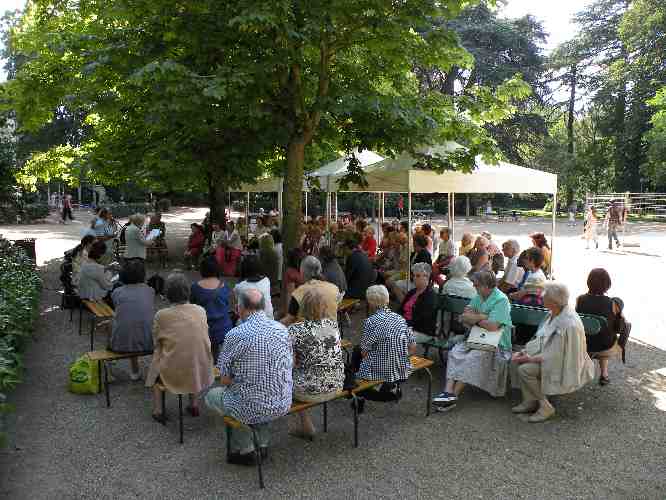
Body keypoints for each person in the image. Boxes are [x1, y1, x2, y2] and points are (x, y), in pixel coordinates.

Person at [205, 288, 293, 465]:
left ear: (241, 308)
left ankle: (246, 447)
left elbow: (224, 379)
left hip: (251, 406)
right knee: (261, 387)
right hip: (282, 402)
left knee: (212, 396)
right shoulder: (282, 329)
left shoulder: (235, 335)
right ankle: (262, 442)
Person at [512, 282, 595, 422]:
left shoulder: (568, 323)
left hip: (563, 364)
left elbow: (556, 354)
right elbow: (541, 338)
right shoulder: (553, 313)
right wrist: (525, 351)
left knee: (525, 370)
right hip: (549, 357)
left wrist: (529, 358)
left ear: (554, 301)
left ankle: (545, 407)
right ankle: (530, 401)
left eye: (544, 295)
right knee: (516, 362)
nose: (541, 297)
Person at [433, 270, 512, 411]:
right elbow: (464, 316)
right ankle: (448, 391)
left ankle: (453, 396)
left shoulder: (501, 300)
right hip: (475, 338)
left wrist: (475, 318)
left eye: (476, 285)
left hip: (496, 344)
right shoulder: (479, 296)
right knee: (455, 352)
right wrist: (483, 316)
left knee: (471, 358)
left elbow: (493, 327)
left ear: (486, 285)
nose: (474, 287)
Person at [146, 273, 214, 421]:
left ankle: (158, 410)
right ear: (187, 291)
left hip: (174, 369)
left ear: (167, 293)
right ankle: (194, 404)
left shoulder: (161, 315)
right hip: (200, 366)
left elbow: (156, 341)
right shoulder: (200, 310)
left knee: (157, 362)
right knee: (192, 353)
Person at [287, 289, 344, 439]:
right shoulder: (332, 325)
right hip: (336, 384)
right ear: (324, 307)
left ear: (302, 307)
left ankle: (306, 425)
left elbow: (290, 364)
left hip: (308, 390)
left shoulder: (294, 330)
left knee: (289, 376)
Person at [354, 285, 416, 396]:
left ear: (371, 302)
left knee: (357, 351)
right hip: (401, 368)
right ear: (387, 299)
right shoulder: (400, 318)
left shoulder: (371, 321)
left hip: (379, 371)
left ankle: (358, 391)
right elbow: (412, 347)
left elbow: (364, 352)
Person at [575, 268, 623, 385]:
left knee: (595, 335)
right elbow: (619, 324)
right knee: (605, 335)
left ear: (589, 282)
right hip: (605, 347)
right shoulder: (612, 303)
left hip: (585, 345)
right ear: (607, 285)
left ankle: (580, 372)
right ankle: (604, 374)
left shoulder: (580, 299)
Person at [110, 260, 155, 380]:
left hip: (120, 344)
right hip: (148, 342)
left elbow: (118, 309)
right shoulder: (150, 291)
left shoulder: (117, 292)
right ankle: (151, 371)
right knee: (139, 325)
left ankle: (134, 371)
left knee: (122, 324)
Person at [190, 256, 233, 360]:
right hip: (224, 328)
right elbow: (228, 306)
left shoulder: (195, 287)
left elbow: (192, 306)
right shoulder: (225, 286)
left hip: (204, 328)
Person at [281, 256, 339, 326]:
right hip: (332, 333)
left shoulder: (300, 292)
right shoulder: (334, 288)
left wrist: (274, 324)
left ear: (302, 272)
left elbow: (289, 319)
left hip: (311, 335)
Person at [399, 263, 438, 343]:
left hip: (421, 330)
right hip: (406, 326)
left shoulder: (430, 295)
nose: (414, 278)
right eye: (414, 275)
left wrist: (402, 325)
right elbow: (400, 309)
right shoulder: (412, 292)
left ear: (426, 277)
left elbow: (421, 318)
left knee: (395, 337)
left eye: (417, 276)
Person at [233, 255, 273, 319]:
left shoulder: (240, 287)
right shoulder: (266, 281)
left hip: (249, 323)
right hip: (269, 319)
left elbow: (237, 306)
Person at [344, 233, 377, 300]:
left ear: (347, 247)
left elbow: (347, 277)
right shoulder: (363, 254)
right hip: (367, 288)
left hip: (357, 292)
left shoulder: (352, 257)